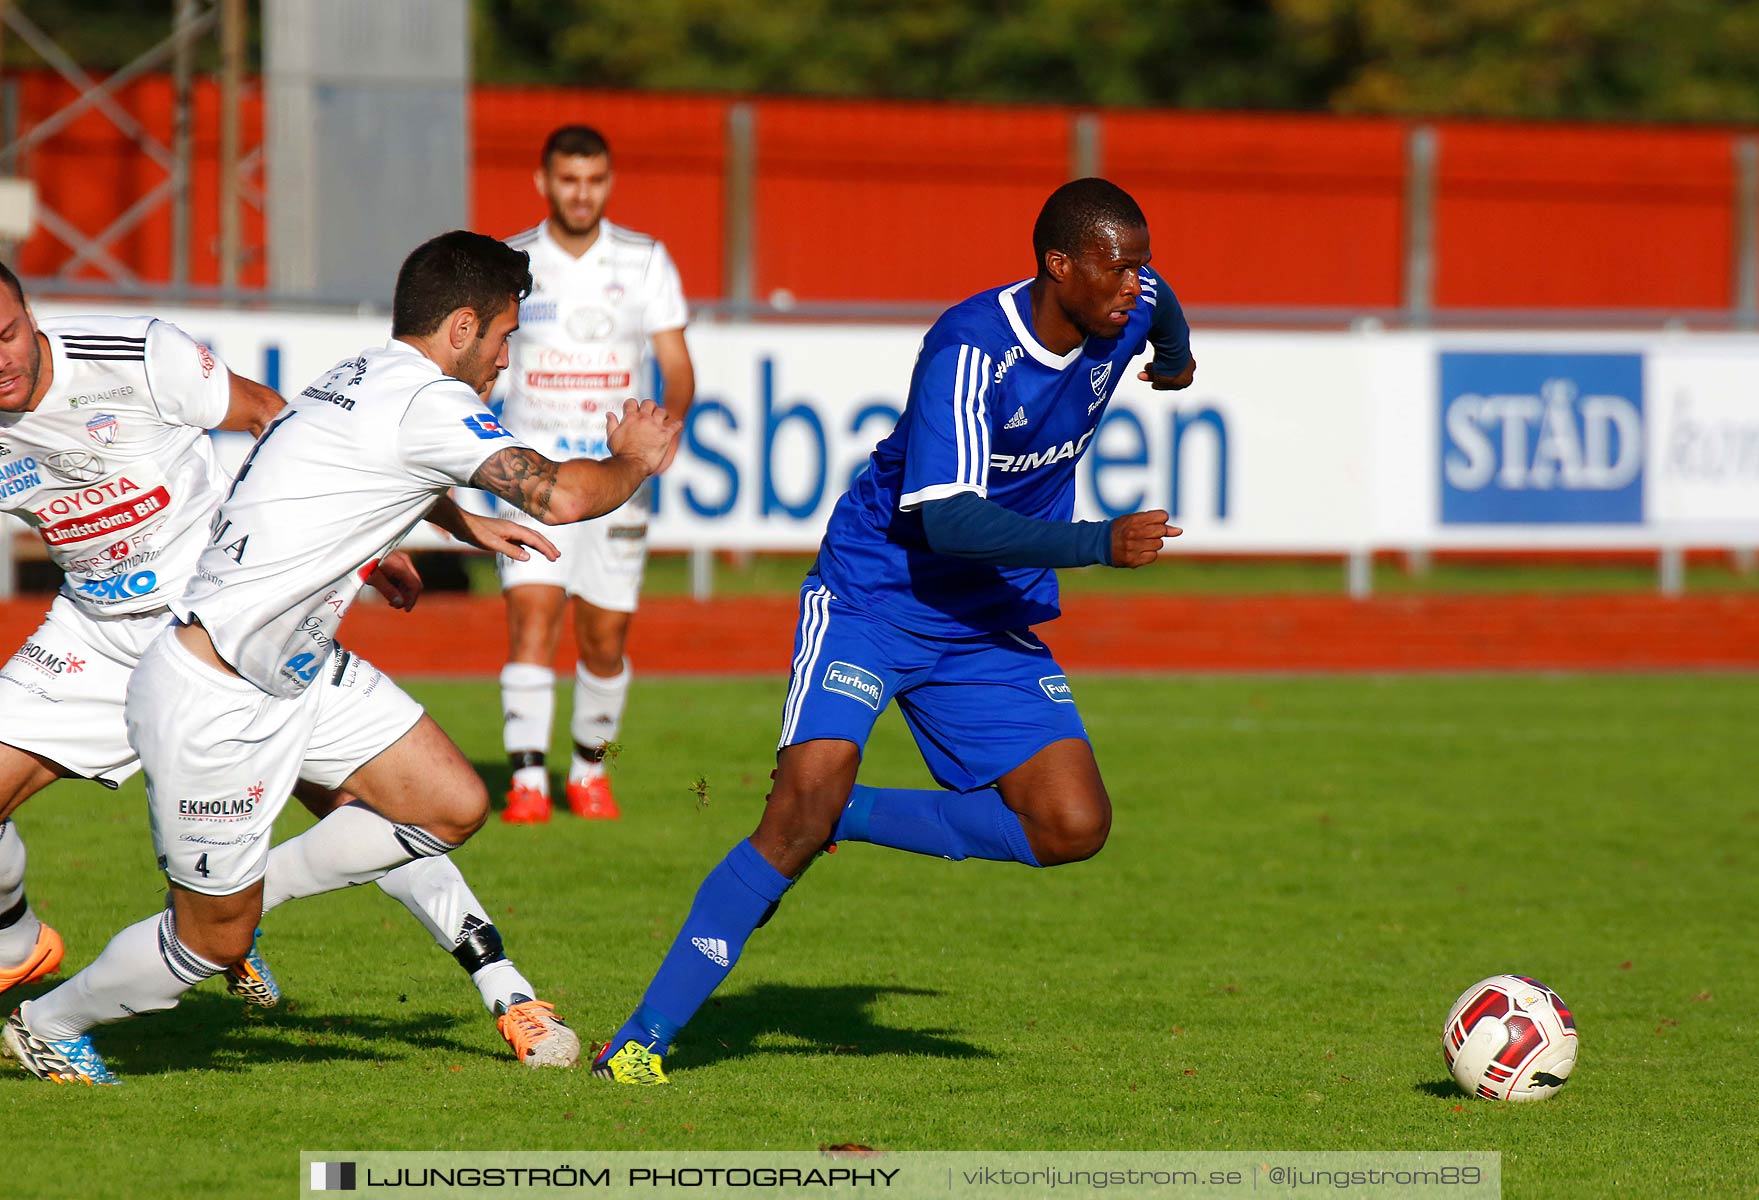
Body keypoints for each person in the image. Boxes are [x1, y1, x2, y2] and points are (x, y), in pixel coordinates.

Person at [2, 231, 680, 1084]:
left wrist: (428, 522)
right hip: (206, 683)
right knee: (215, 940)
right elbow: (566, 494)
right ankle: (46, 1015)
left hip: (286, 663)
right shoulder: (423, 399)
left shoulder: (353, 373)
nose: (509, 359)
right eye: (507, 338)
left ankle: (269, 899)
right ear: (465, 327)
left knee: (450, 801)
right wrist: (636, 458)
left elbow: (317, 452)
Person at [591, 178, 1195, 1085]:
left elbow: (1163, 309)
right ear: (1058, 266)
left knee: (1073, 824)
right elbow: (948, 519)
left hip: (984, 612)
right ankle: (640, 1042)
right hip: (878, 595)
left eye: (1141, 266)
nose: (1133, 286)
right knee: (793, 819)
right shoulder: (971, 349)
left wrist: (1176, 359)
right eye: (1116, 268)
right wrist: (1098, 541)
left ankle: (856, 814)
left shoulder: (1128, 302)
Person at [492, 123, 695, 824]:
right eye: (569, 179)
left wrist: (663, 432)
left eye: (596, 179)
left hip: (614, 479)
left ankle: (589, 771)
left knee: (606, 641)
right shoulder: (512, 259)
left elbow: (676, 364)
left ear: (608, 181)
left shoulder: (643, 260)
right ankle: (526, 784)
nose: (583, 193)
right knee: (532, 619)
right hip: (529, 473)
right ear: (544, 182)